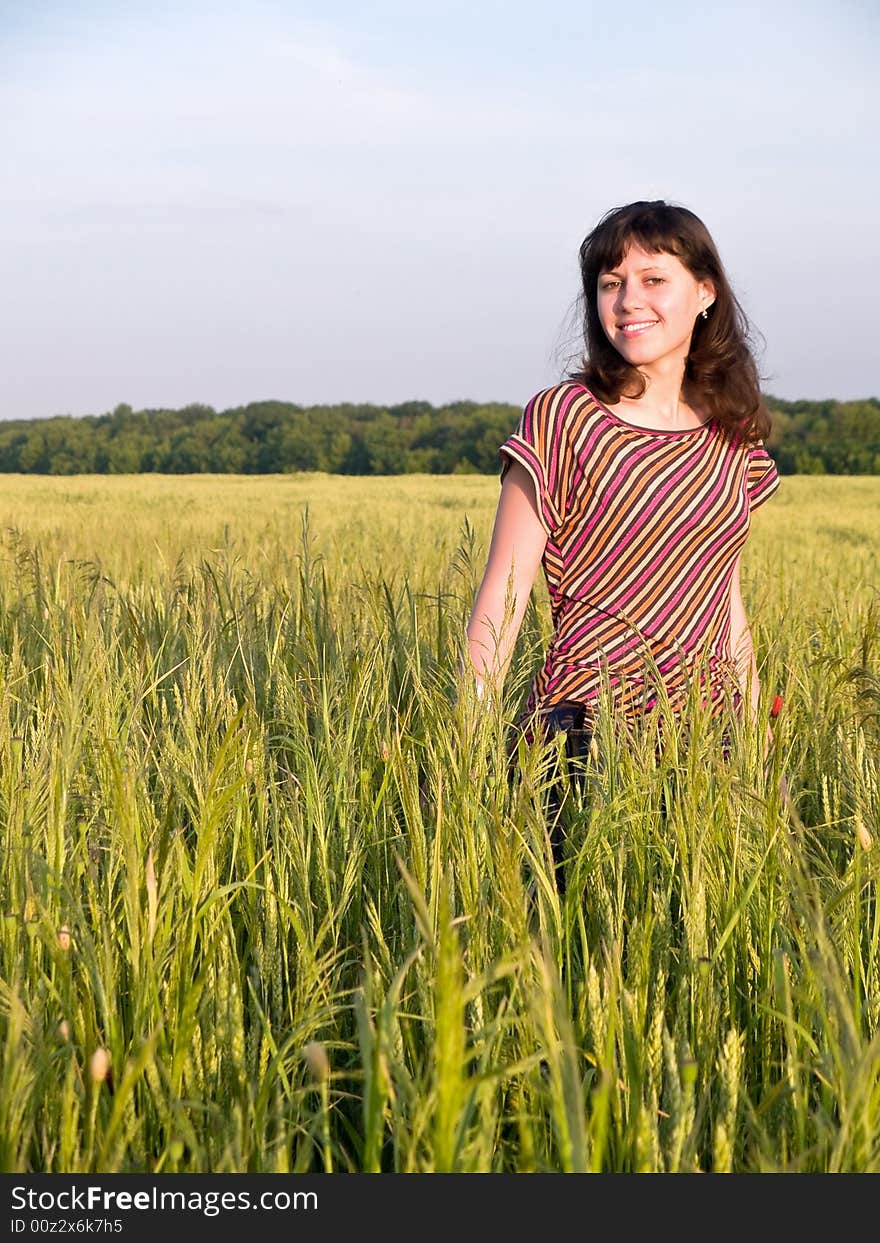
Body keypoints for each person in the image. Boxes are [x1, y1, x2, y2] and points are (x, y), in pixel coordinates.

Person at [462, 200, 780, 870]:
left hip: (704, 747)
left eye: (652, 279)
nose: (628, 300)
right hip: (582, 739)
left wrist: (758, 748)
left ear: (704, 292)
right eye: (610, 283)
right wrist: (466, 751)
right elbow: (503, 596)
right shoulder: (564, 418)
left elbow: (726, 603)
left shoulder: (732, 434)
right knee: (577, 951)